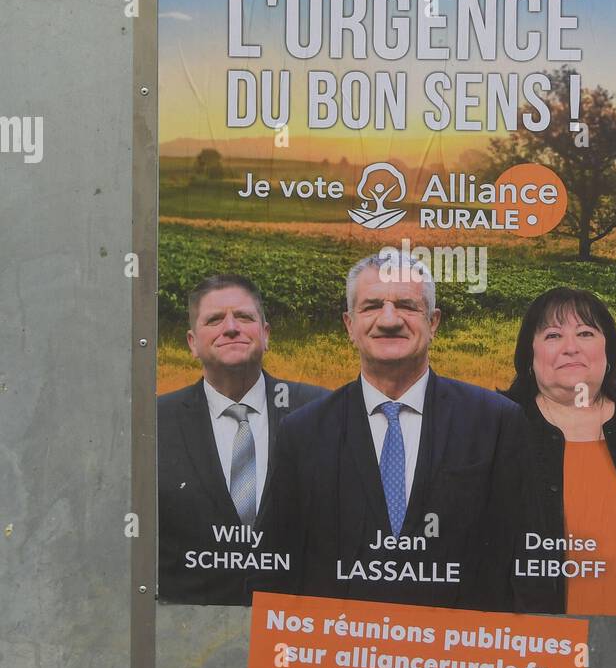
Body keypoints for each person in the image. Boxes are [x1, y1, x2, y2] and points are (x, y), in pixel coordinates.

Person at [272, 253, 533, 612]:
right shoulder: (300, 433)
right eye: (372, 306)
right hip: (339, 656)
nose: (390, 319)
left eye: (407, 306)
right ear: (349, 325)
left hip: (460, 654)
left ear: (434, 321)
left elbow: (522, 563)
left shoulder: (497, 422)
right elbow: (275, 570)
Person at [158, 274, 326, 605]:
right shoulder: (155, 421)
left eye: (245, 317)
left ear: (266, 335)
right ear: (192, 342)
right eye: (215, 319)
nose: (231, 327)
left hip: (297, 629)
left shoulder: (323, 411)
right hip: (187, 632)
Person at [504, 287, 616, 617]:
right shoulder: (499, 428)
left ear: (608, 351)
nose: (571, 348)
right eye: (553, 335)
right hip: (535, 647)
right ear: (529, 355)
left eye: (585, 333)